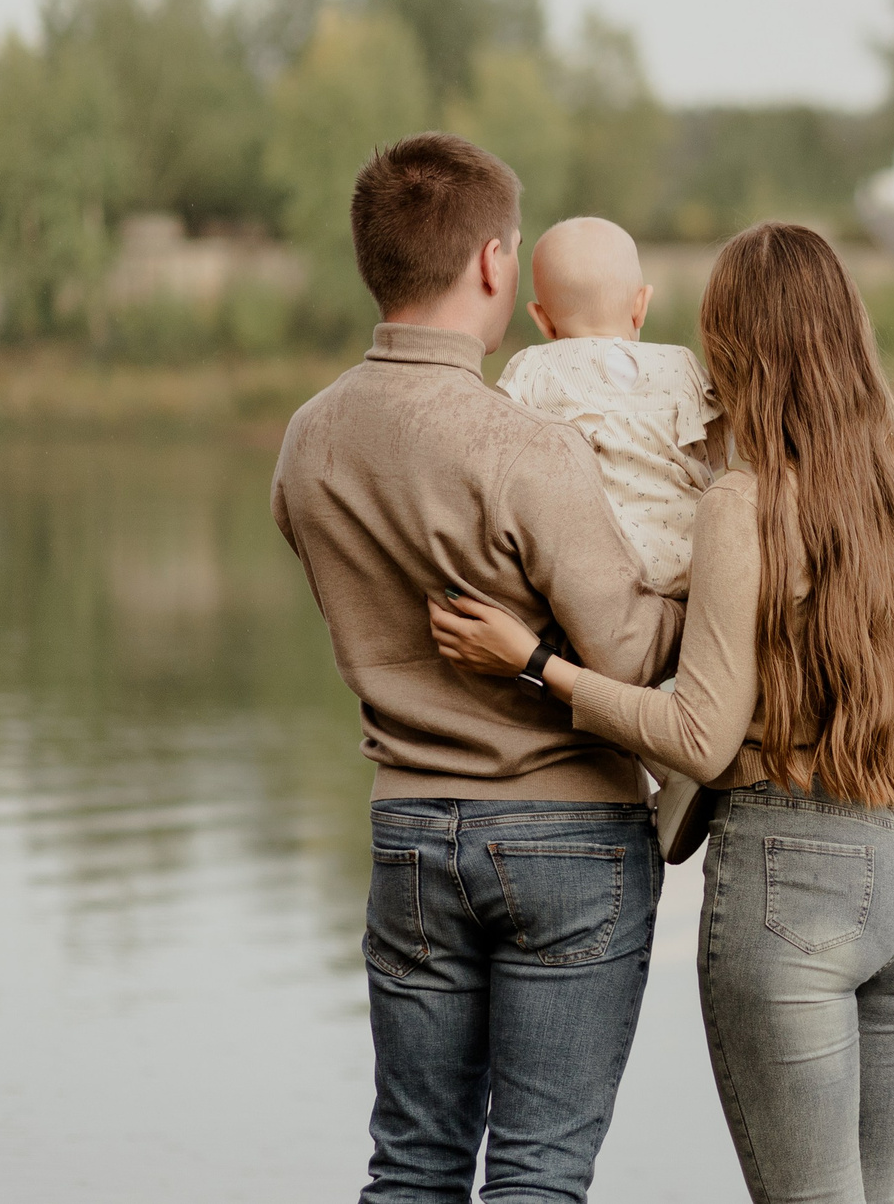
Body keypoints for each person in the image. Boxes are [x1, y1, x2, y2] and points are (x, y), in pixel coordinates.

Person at [430, 221, 894, 1204]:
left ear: (732, 349)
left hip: (794, 878)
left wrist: (538, 664)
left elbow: (701, 739)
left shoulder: (742, 507)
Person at [270, 134, 685, 1204]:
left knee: (412, 1164)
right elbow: (632, 654)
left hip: (408, 830)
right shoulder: (526, 446)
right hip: (568, 836)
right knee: (538, 1173)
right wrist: (714, 588)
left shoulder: (308, 440)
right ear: (496, 263)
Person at [498, 215, 723, 595]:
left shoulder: (534, 369)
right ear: (641, 305)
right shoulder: (682, 366)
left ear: (541, 319)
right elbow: (714, 455)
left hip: (597, 573)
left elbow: (500, 459)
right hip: (693, 563)